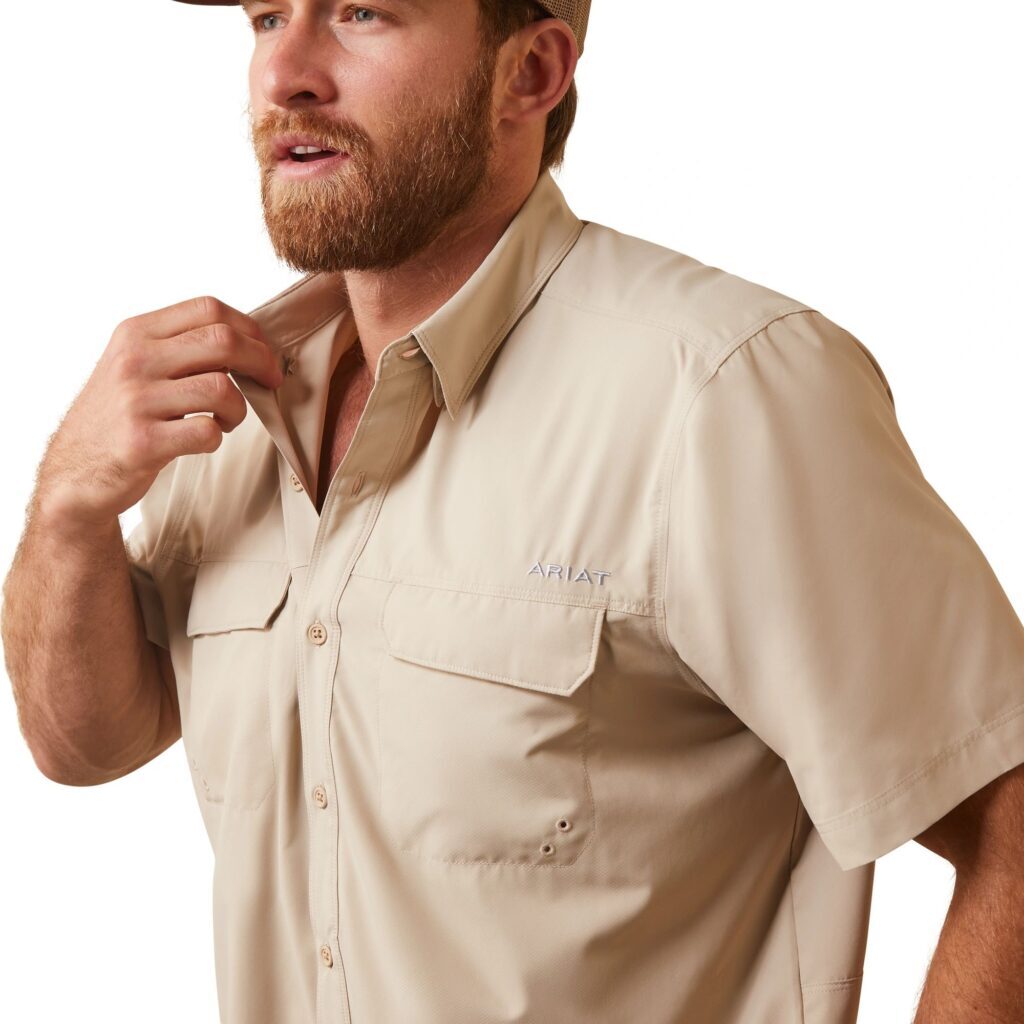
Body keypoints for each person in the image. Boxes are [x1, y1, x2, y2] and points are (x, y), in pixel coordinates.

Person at [4, 0, 1024, 1021]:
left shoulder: (715, 392)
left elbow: (1006, 816)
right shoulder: (226, 402)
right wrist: (69, 507)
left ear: (530, 73)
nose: (286, 77)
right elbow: (84, 743)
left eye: (362, 12)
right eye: (268, 17)